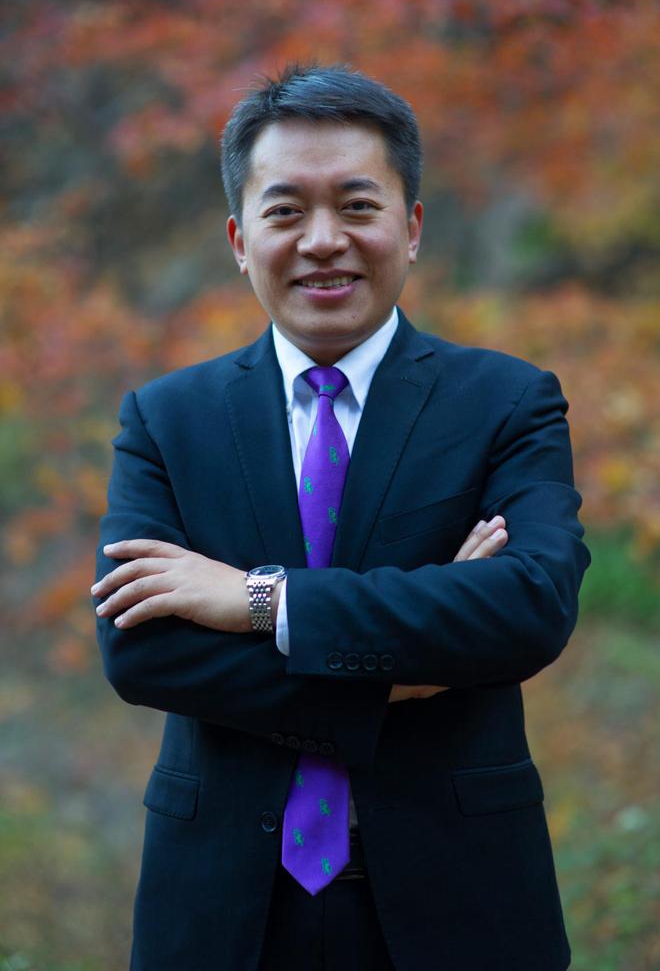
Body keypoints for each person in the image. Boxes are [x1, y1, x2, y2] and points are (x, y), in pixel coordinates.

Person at [92, 64, 590, 971]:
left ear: (413, 226)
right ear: (240, 239)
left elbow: (529, 606)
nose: (324, 241)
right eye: (286, 211)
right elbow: (141, 652)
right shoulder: (167, 420)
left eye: (358, 206)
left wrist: (259, 601)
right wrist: (403, 668)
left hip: (464, 905)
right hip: (220, 915)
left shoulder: (507, 403)